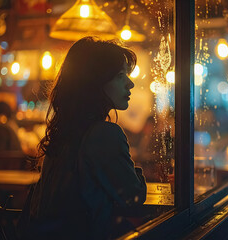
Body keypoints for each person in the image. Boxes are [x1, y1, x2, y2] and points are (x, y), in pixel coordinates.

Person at [19, 37, 147, 239]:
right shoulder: (104, 134)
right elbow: (134, 197)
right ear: (95, 82)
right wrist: (137, 174)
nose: (130, 83)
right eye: (120, 75)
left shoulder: (65, 133)